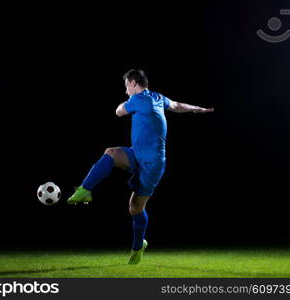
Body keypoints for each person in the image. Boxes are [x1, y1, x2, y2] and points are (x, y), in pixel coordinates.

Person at [67, 69, 214, 264]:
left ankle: (138, 247)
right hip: (136, 154)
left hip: (152, 165)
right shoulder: (158, 97)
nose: (126, 90)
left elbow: (118, 112)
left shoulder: (137, 99)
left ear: (134, 83)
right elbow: (177, 105)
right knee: (111, 152)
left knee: (135, 208)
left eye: (127, 85)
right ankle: (85, 189)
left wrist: (123, 104)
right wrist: (197, 108)